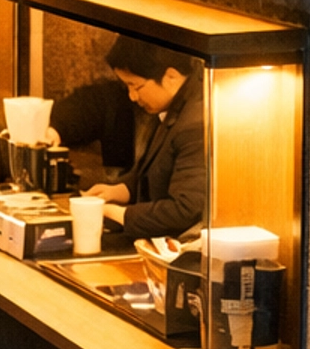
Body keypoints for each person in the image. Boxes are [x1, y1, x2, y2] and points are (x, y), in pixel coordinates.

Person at [61, 33, 206, 242]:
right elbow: (160, 171)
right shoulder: (174, 106)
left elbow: (185, 209)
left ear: (171, 77)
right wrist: (118, 191)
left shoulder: (194, 124)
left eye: (135, 86)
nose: (132, 96)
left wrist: (114, 213)